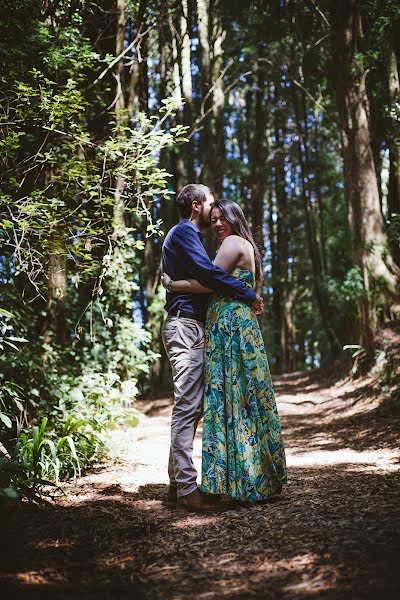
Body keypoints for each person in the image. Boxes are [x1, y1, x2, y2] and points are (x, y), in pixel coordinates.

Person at [162, 200, 287, 504]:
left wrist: (173, 283)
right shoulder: (243, 244)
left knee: (234, 397)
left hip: (230, 324)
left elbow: (209, 281)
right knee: (240, 396)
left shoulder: (232, 242)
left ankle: (242, 479)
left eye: (223, 218)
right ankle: (245, 476)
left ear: (235, 219)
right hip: (232, 322)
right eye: (213, 219)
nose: (217, 224)